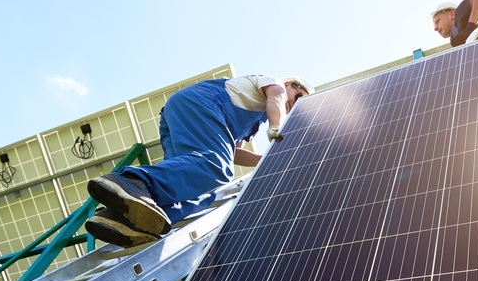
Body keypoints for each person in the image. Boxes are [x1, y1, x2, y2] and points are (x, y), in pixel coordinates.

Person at [84, 75, 313, 247]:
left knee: (193, 183)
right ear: (290, 85)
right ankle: (131, 180)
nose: (293, 104)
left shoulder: (253, 120)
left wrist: (268, 159)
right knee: (216, 168)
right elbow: (277, 98)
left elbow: (233, 153)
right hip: (205, 104)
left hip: (184, 114)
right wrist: (276, 126)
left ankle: (123, 216)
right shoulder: (272, 86)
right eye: (298, 97)